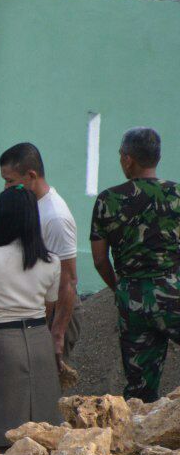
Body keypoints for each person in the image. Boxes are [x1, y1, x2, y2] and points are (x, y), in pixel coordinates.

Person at [0, 186, 61, 450]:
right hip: (39, 338)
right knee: (45, 427)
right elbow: (49, 307)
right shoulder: (52, 261)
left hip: (2, 341)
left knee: (7, 428)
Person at [91, 127, 180, 403]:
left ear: (128, 159)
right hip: (174, 292)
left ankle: (139, 441)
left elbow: (98, 259)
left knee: (140, 390)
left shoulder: (108, 199)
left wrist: (120, 287)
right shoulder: (177, 195)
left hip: (133, 297)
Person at [0, 142, 80, 361]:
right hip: (33, 311)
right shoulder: (29, 205)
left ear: (31, 175)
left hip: (53, 314)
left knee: (48, 387)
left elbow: (68, 279)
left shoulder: (55, 217)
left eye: (10, 180)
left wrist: (57, 332)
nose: (6, 188)